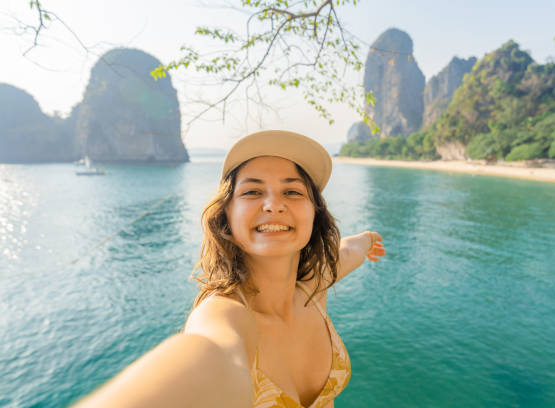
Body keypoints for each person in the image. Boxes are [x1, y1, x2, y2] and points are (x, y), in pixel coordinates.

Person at [75, 130, 385, 408]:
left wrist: (370, 240)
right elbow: (210, 354)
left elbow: (349, 249)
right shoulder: (225, 316)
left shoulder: (314, 285)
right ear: (226, 216)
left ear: (315, 215)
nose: (273, 204)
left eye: (293, 192)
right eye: (252, 192)